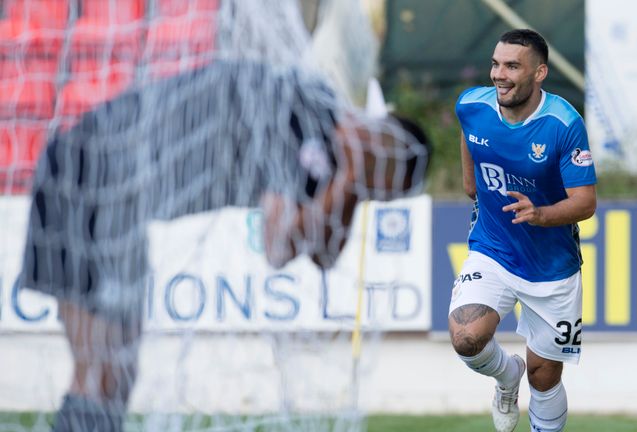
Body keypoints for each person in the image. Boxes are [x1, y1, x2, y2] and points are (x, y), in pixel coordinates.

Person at [19, 60, 430, 432]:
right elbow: (279, 245)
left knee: (115, 376)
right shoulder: (305, 108)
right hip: (82, 176)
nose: (369, 196)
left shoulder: (326, 158)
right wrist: (351, 179)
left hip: (117, 207)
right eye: (379, 189)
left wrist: (350, 182)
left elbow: (324, 254)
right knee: (101, 373)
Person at [450, 29, 596, 432]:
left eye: (512, 66)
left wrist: (541, 214)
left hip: (551, 267)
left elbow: (585, 202)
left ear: (539, 73)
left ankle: (530, 391)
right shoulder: (472, 105)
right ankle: (506, 376)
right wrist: (470, 182)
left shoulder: (563, 123)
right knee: (466, 337)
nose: (500, 74)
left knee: (544, 376)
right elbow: (468, 129)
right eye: (496, 64)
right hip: (493, 249)